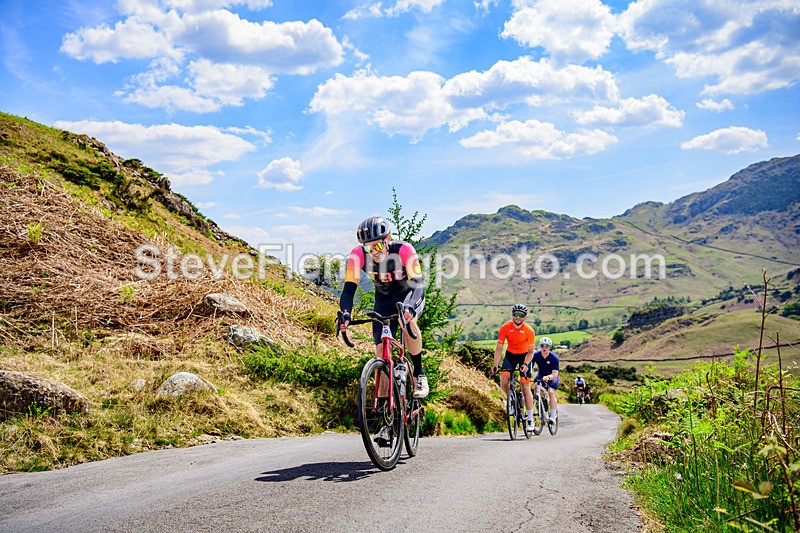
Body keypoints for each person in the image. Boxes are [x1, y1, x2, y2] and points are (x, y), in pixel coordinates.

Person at [338, 216, 427, 446]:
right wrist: (345, 314)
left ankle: (419, 373)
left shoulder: (404, 250)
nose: (374, 252)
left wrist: (410, 307)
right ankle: (387, 421)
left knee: (408, 324)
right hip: (384, 301)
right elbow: (348, 291)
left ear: (388, 239)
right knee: (381, 354)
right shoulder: (357, 256)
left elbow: (418, 285)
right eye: (369, 248)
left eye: (378, 246)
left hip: (409, 296)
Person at [491, 304, 536, 432]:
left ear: (524, 317)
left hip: (524, 356)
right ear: (512, 314)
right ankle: (511, 400)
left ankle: (530, 419)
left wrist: (525, 364)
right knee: (504, 381)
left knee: (525, 386)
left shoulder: (529, 330)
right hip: (510, 355)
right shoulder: (505, 327)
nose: (518, 317)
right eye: (516, 314)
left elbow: (531, 352)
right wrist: (495, 365)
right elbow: (499, 348)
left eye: (521, 315)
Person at [532, 337, 560, 422]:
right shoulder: (536, 355)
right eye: (542, 346)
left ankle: (553, 415)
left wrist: (548, 377)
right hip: (541, 374)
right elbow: (530, 365)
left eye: (546, 346)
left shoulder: (554, 357)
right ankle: (543, 403)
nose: (544, 348)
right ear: (540, 346)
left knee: (551, 392)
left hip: (551, 376)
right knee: (536, 386)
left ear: (549, 347)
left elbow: (555, 374)